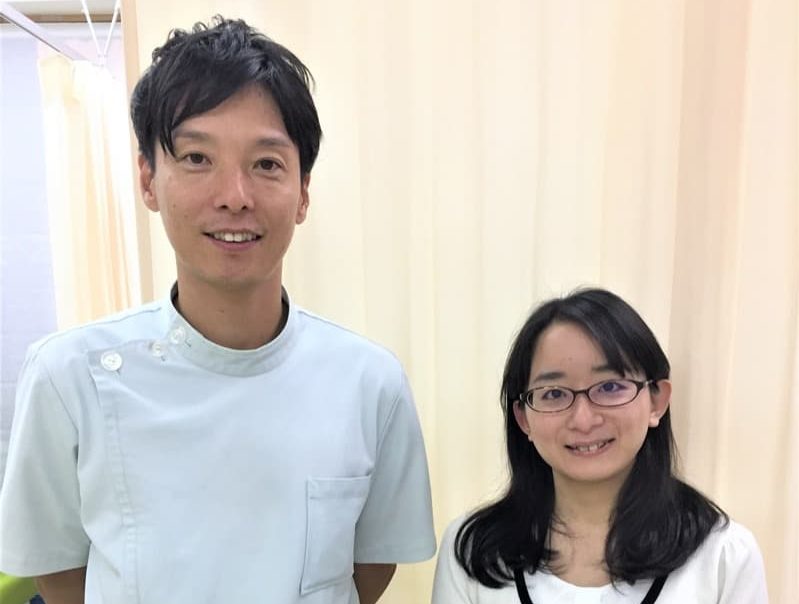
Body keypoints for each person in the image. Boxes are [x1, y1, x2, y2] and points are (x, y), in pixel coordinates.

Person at [0, 17, 435, 604]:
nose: (234, 196)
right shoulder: (67, 375)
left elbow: (372, 563)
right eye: (198, 157)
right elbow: (58, 573)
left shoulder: (370, 382)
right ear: (148, 179)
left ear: (303, 192)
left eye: (267, 164)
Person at [432, 288, 768, 603]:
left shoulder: (723, 556)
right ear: (523, 418)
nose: (583, 419)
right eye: (554, 393)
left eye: (609, 387)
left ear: (657, 401)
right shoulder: (474, 552)